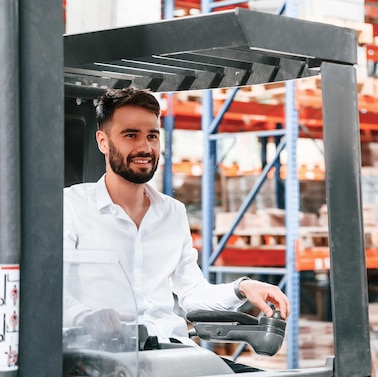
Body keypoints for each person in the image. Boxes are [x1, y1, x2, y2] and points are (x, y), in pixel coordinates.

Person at [63, 87, 290, 344]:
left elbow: (191, 292)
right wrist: (84, 316)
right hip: (104, 353)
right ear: (103, 142)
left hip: (171, 350)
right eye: (131, 135)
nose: (145, 147)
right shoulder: (72, 207)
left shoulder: (172, 213)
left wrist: (242, 288)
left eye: (152, 136)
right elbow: (49, 286)